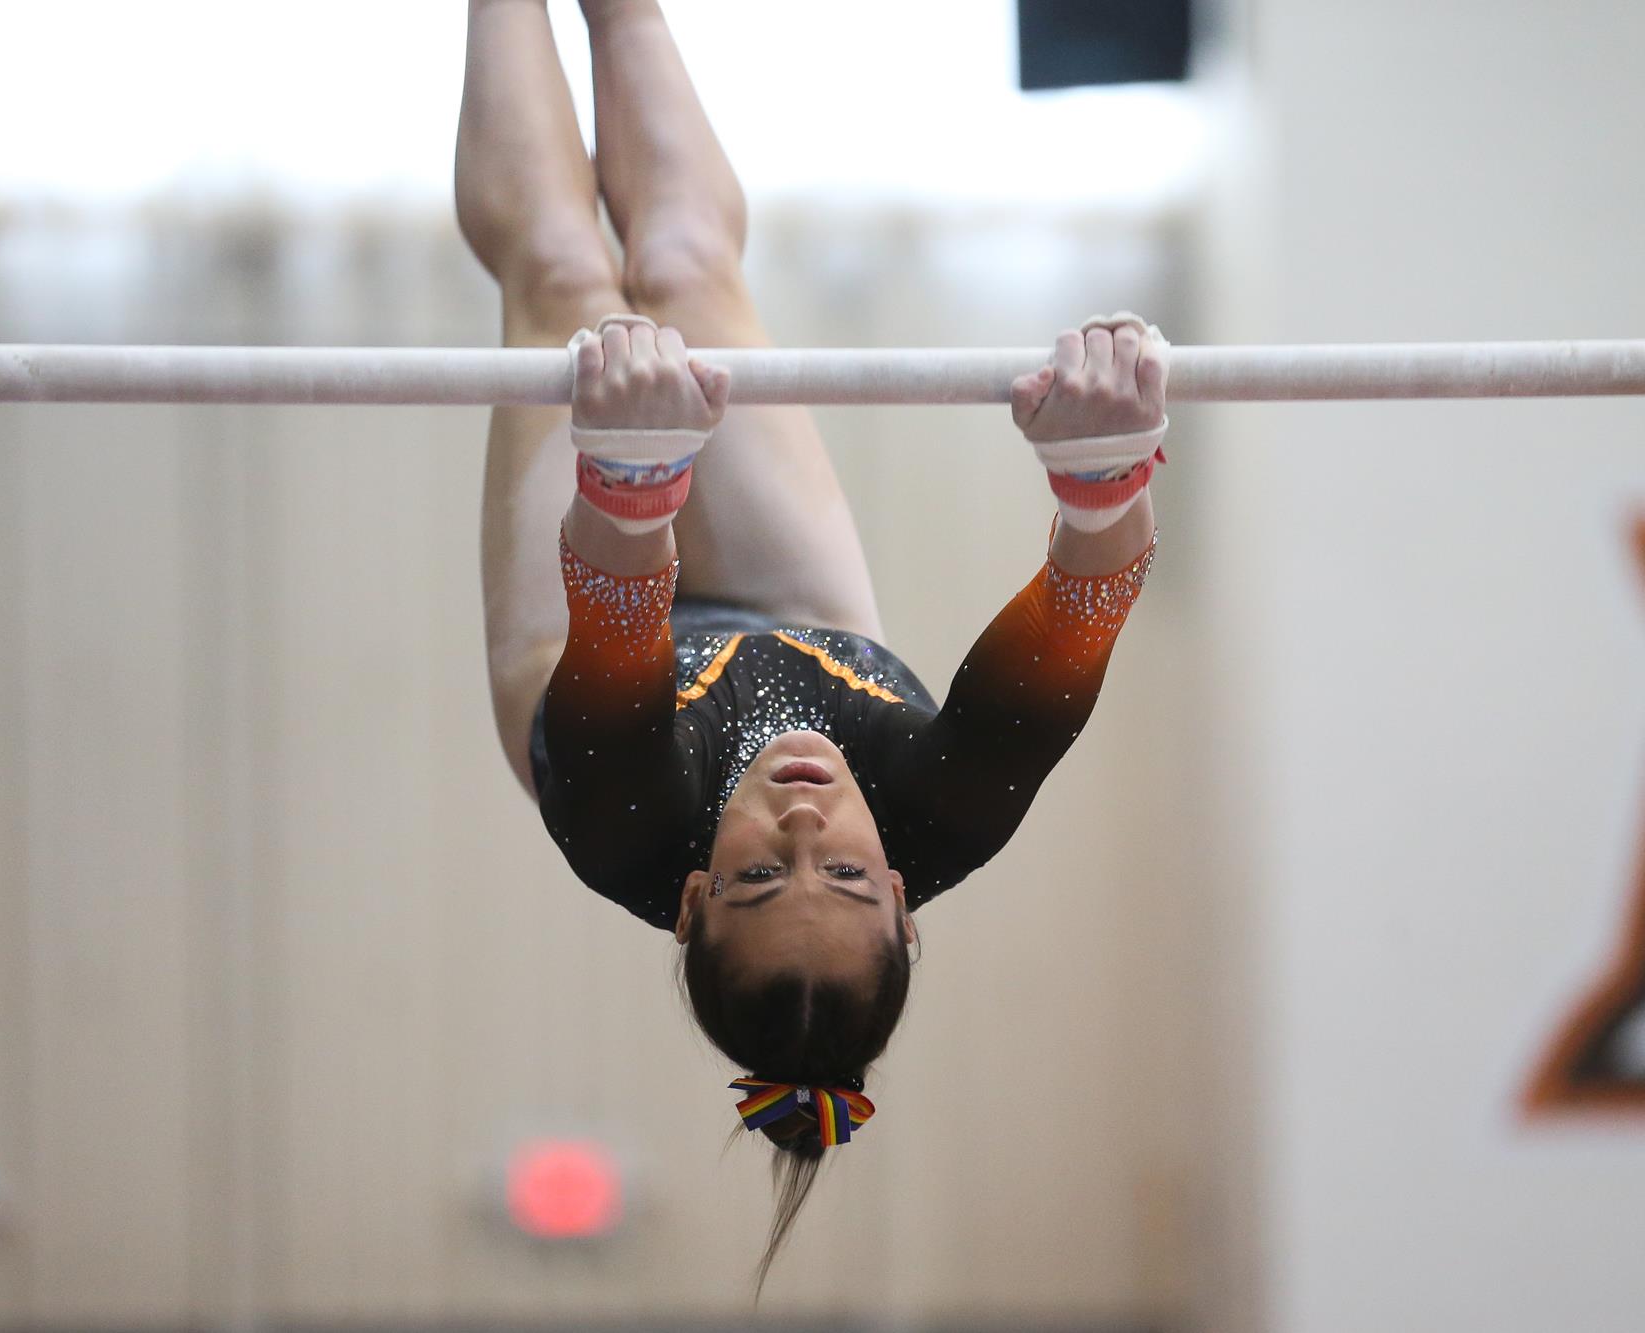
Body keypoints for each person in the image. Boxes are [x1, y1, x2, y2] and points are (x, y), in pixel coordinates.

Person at [455, 0, 1164, 1286]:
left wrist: (628, 473)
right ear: (903, 897)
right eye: (841, 878)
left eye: (752, 881)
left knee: (566, 281)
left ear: (686, 902)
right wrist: (1101, 477)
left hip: (588, 644)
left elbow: (616, 604)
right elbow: (1078, 626)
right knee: (677, 268)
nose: (801, 831)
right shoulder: (944, 810)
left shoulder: (623, 818)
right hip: (803, 627)